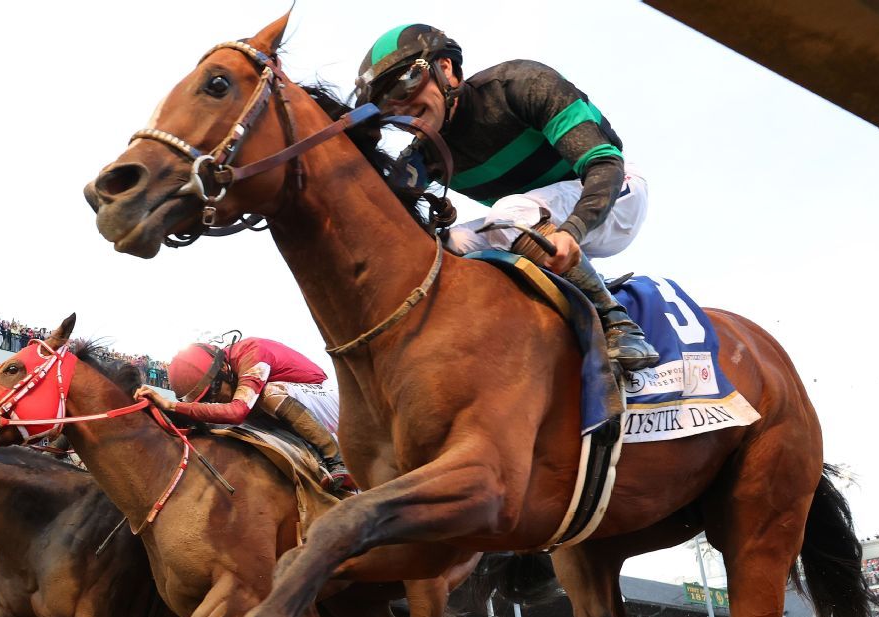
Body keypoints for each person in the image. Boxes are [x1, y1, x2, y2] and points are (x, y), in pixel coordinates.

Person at [354, 24, 658, 371]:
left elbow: (603, 163)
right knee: (446, 247)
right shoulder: (424, 157)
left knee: (511, 213)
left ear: (446, 68)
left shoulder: (521, 85)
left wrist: (572, 230)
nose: (400, 105)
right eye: (383, 103)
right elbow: (379, 221)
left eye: (405, 82)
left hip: (615, 193)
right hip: (534, 223)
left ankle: (617, 323)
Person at [135, 336, 353, 493]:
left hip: (330, 400)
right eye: (204, 399)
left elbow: (236, 412)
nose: (214, 400)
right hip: (300, 406)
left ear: (224, 371)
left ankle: (337, 460)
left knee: (267, 395)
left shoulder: (253, 352)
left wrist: (172, 406)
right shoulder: (228, 372)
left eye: (212, 392)